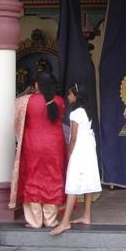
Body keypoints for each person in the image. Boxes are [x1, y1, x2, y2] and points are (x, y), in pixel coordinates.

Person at [10, 72, 66, 228]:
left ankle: (35, 221)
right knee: (53, 178)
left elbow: (16, 121)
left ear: (36, 85)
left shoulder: (25, 102)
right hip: (54, 146)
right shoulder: (60, 101)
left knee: (33, 178)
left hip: (32, 145)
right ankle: (50, 220)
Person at [51, 83, 101, 236]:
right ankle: (86, 216)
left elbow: (72, 138)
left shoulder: (75, 113)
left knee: (72, 182)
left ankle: (65, 222)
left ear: (76, 96)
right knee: (86, 181)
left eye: (70, 94)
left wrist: (69, 154)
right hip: (89, 151)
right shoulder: (87, 111)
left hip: (79, 150)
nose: (68, 96)